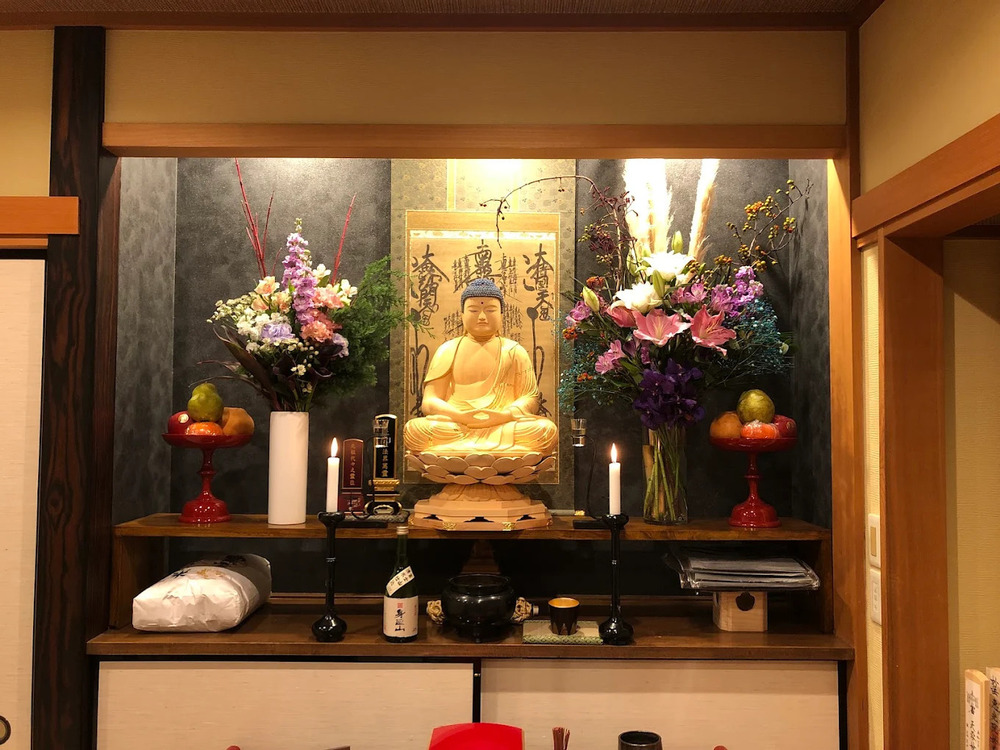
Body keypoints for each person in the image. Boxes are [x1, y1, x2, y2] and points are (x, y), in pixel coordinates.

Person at [403, 278, 557, 457]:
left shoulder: (514, 351)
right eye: (473, 310)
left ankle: (461, 452)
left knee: (545, 430)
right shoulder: (448, 349)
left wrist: (503, 416)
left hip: (502, 425)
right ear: (462, 314)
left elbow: (530, 399)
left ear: (501, 315)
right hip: (457, 425)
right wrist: (461, 416)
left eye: (490, 310)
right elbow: (430, 402)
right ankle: (493, 452)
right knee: (414, 430)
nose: (482, 317)